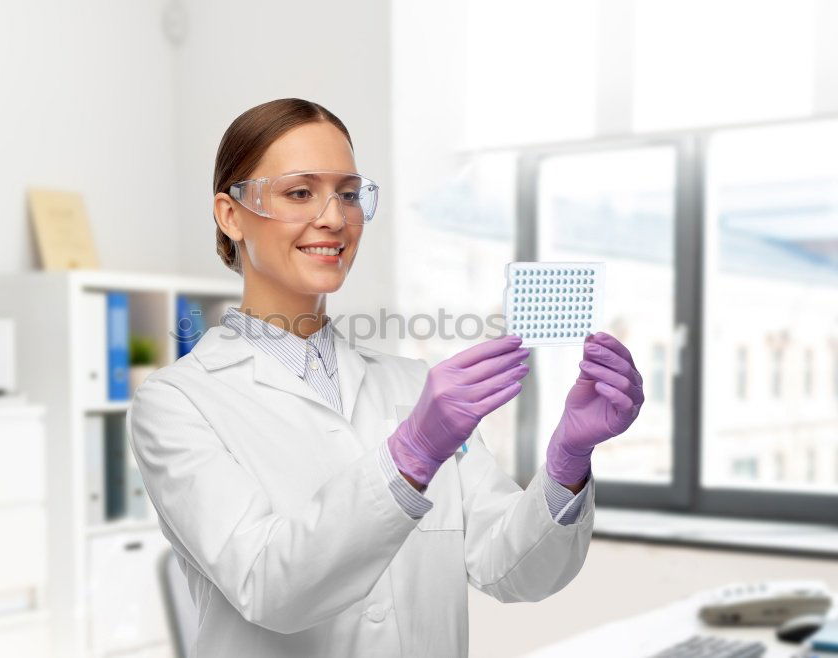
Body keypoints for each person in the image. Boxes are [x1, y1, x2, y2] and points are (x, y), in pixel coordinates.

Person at [128, 98, 645, 658]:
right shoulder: (178, 403)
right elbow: (270, 586)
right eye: (300, 192)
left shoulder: (412, 386)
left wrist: (568, 459)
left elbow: (511, 569)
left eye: (348, 193)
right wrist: (412, 454)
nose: (333, 218)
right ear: (231, 215)